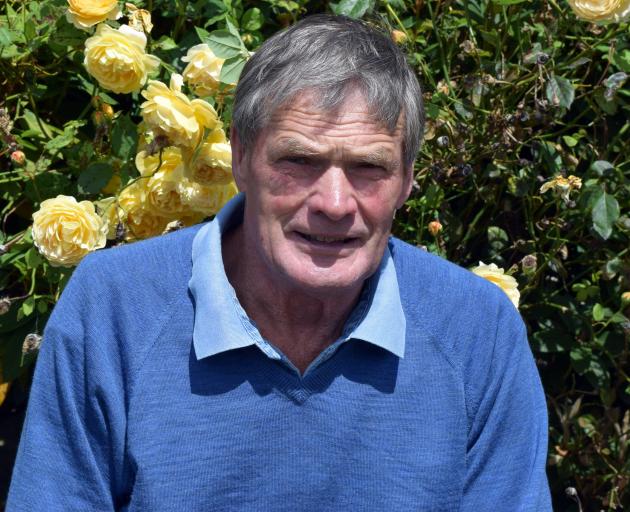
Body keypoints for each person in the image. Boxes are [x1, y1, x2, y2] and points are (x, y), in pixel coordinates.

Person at [7, 14, 551, 511]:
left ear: (408, 179)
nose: (334, 203)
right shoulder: (115, 308)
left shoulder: (475, 329)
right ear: (239, 156)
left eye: (368, 167)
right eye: (300, 161)